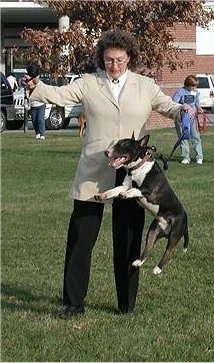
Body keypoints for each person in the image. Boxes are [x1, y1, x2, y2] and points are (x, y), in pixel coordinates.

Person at [25, 30, 194, 319]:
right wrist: (38, 87)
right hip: (94, 169)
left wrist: (183, 109)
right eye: (108, 59)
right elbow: (59, 95)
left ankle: (126, 304)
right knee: (81, 236)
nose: (114, 65)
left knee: (128, 238)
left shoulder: (145, 85)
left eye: (119, 59)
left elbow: (168, 106)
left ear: (129, 57)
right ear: (101, 58)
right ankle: (73, 302)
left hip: (133, 175)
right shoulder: (89, 83)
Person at [172, 75, 204, 165]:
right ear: (187, 84)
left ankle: (199, 157)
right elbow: (174, 103)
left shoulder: (196, 92)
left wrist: (199, 108)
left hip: (192, 118)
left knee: (196, 137)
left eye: (195, 86)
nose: (194, 88)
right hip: (181, 119)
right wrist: (182, 106)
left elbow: (197, 103)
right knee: (183, 138)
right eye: (193, 86)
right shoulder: (180, 92)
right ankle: (185, 157)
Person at [25, 64, 46, 140]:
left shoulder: (40, 84)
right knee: (34, 121)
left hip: (41, 105)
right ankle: (37, 133)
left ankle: (42, 133)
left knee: (40, 119)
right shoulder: (29, 84)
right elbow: (27, 94)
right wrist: (27, 104)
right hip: (33, 105)